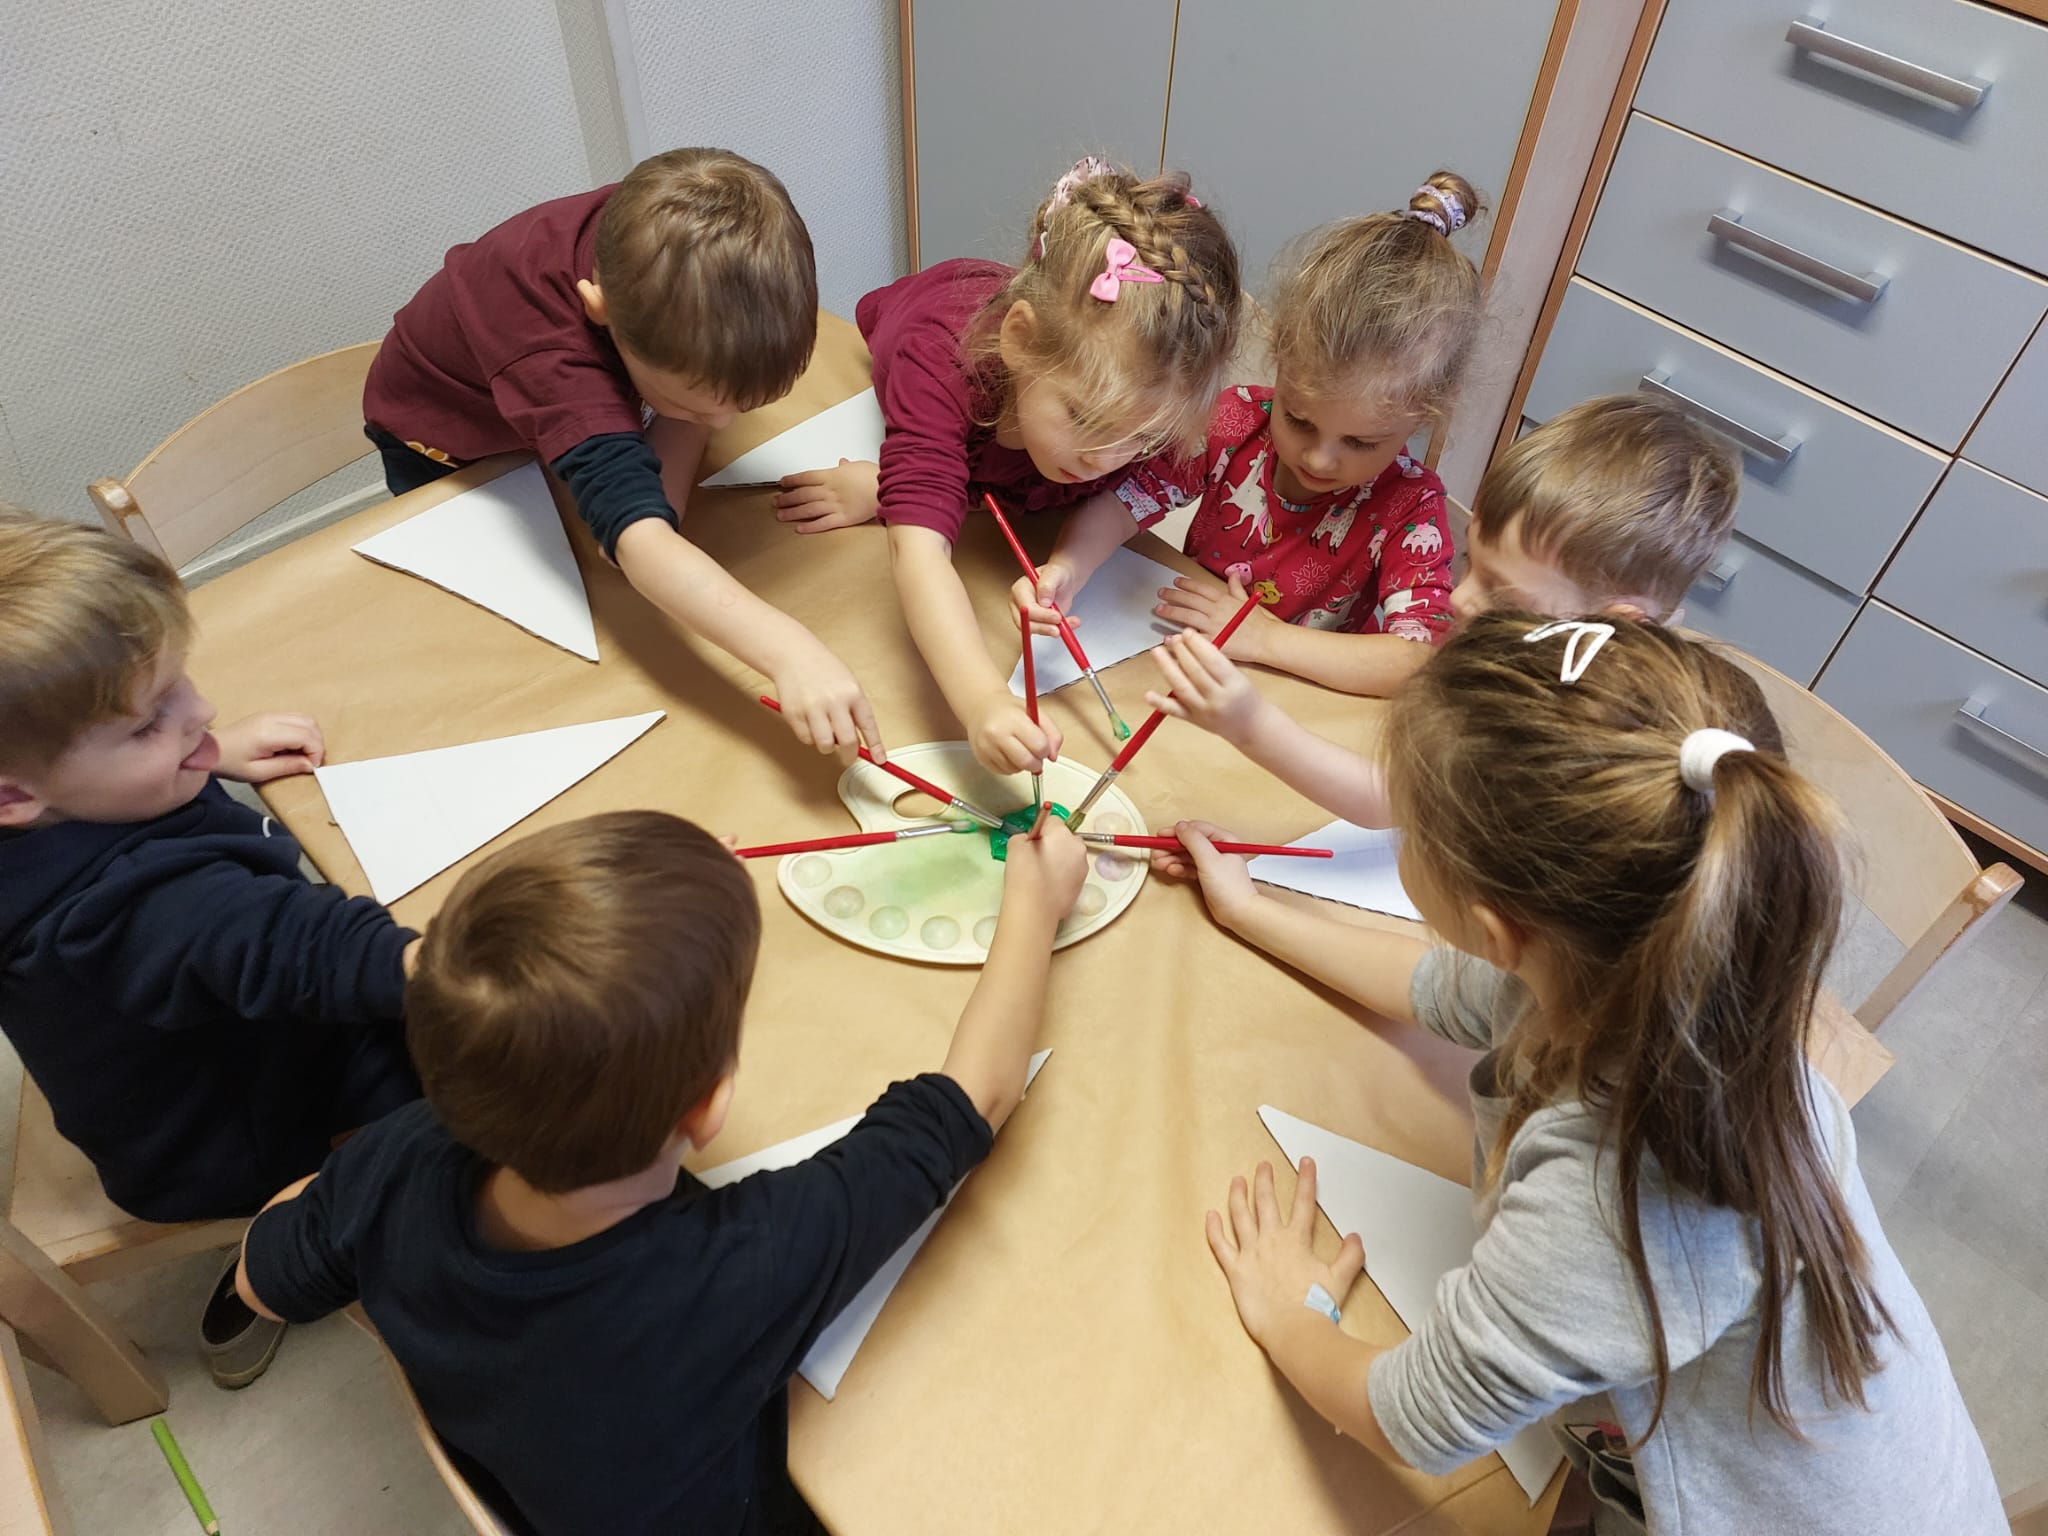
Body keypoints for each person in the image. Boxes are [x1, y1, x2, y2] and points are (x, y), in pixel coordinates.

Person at [1173, 613, 2004, 1536]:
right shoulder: (1663, 988)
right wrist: (1253, 911)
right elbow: (1440, 988)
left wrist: (1290, 1313)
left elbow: (1414, 1423)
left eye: (1409, 831)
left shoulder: (1612, 1199)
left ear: (1496, 929)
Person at [237, 810, 1089, 1536]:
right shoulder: (741, 1268)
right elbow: (976, 1098)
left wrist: (347, 1203)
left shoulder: (405, 1152)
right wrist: (1034, 906)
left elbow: (258, 1280)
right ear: (707, 1108)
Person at [0, 510, 418, 1387]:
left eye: (180, 684)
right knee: (484, 1106)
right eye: (151, 722)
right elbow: (299, 948)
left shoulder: (57, 802)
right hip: (234, 1135)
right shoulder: (126, 911)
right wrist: (473, 970)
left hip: (171, 1070)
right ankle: (281, 1264)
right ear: (13, 796)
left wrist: (203, 753)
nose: (203, 710)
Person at [362, 147, 883, 762]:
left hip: (545, 412)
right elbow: (634, 544)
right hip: (446, 450)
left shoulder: (661, 240)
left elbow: (655, 509)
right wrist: (791, 652)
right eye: (691, 404)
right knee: (507, 642)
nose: (721, 424)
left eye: (737, 407)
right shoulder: (553, 356)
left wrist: (664, 476)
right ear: (599, 310)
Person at [783, 156, 1242, 776]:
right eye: (1084, 418)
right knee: (933, 481)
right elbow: (918, 553)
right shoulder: (939, 361)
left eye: (1138, 438)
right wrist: (982, 703)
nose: (1102, 459)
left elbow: (1129, 495)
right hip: (930, 314)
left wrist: (1069, 566)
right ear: (1021, 341)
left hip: (1041, 359)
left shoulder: (1142, 396)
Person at [1142, 394, 1741, 827]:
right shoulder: (1551, 649)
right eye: (1471, 563)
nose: (1458, 599)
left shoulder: (1589, 737)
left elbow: (1386, 799)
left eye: (1502, 593)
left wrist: (1251, 725)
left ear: (1617, 622)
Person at [1025, 173, 1487, 699]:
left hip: (1298, 703)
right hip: (1188, 664)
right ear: (1280, 360)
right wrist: (1069, 566)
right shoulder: (1238, 420)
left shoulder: (1412, 506)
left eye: (1361, 443)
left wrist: (1266, 639)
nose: (1319, 458)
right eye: (1300, 420)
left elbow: (1417, 661)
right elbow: (1123, 503)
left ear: (1422, 419)